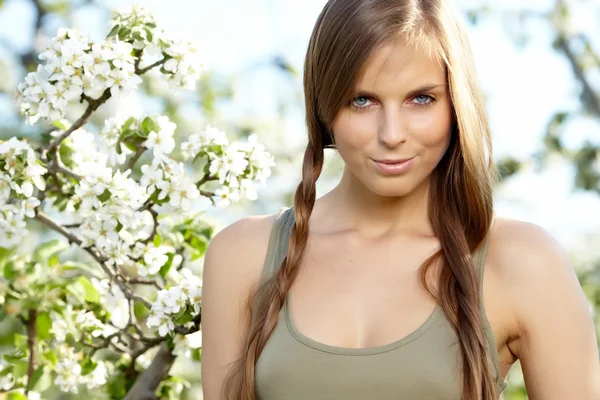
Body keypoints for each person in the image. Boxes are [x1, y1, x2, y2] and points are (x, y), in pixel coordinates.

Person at [200, 0, 600, 399]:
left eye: (421, 99)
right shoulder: (242, 255)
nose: (392, 134)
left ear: (457, 105)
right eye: (362, 100)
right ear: (324, 107)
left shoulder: (523, 262)